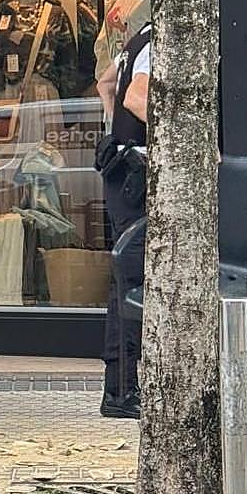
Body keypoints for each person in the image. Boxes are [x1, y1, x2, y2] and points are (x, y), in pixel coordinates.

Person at [94, 21, 151, 419]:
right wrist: (185, 135)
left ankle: (118, 387)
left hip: (121, 169)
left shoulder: (137, 38)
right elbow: (135, 96)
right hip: (137, 173)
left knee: (123, 280)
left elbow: (104, 83)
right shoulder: (163, 41)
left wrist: (115, 130)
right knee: (134, 279)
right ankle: (124, 391)